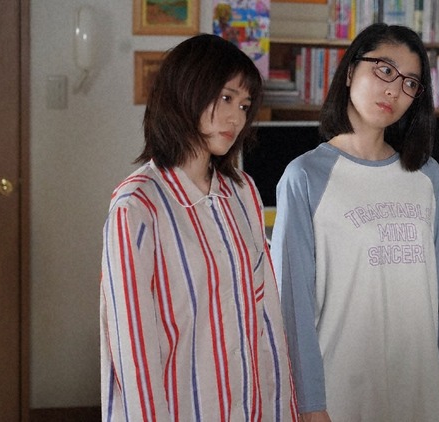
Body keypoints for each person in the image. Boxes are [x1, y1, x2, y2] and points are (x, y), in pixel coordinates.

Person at [270, 23, 439, 421]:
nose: (394, 90)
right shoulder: (305, 176)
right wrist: (309, 406)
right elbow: (293, 307)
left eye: (410, 82)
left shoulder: (426, 176)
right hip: (341, 395)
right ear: (349, 72)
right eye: (385, 70)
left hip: (421, 391)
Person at [100, 34, 298, 421]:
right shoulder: (137, 207)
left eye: (244, 105)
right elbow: (132, 351)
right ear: (185, 91)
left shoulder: (243, 191)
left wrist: (282, 410)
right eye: (226, 98)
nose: (237, 118)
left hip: (251, 408)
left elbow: (266, 316)